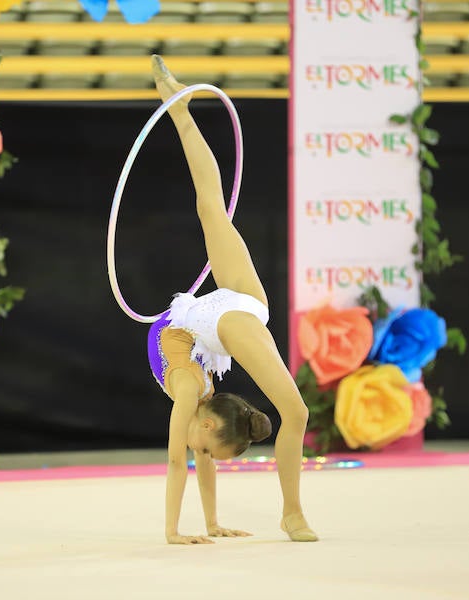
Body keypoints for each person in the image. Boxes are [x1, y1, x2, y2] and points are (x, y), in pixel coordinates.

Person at [146, 55, 318, 545]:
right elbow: (195, 455)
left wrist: (176, 532)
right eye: (216, 452)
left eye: (213, 452)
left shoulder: (188, 397)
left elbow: (180, 458)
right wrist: (197, 528)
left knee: (210, 203)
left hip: (227, 313)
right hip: (226, 313)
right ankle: (292, 514)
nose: (209, 457)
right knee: (209, 205)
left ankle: (179, 108)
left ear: (205, 423)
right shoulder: (197, 402)